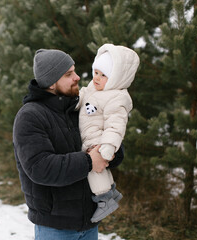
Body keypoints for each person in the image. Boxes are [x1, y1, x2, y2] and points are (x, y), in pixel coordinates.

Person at [13, 48, 124, 240]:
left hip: (89, 223)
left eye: (74, 71)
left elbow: (106, 146)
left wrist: (111, 151)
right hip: (55, 227)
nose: (77, 77)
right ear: (51, 82)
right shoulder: (30, 116)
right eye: (68, 74)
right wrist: (89, 161)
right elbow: (40, 168)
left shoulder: (78, 109)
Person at [77, 43, 140, 223]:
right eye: (95, 72)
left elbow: (116, 126)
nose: (96, 78)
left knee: (94, 169)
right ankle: (111, 191)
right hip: (88, 134)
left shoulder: (117, 98)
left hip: (98, 140)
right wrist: (76, 100)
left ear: (116, 78)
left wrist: (108, 146)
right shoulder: (93, 87)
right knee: (99, 169)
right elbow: (83, 95)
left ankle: (104, 199)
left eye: (103, 75)